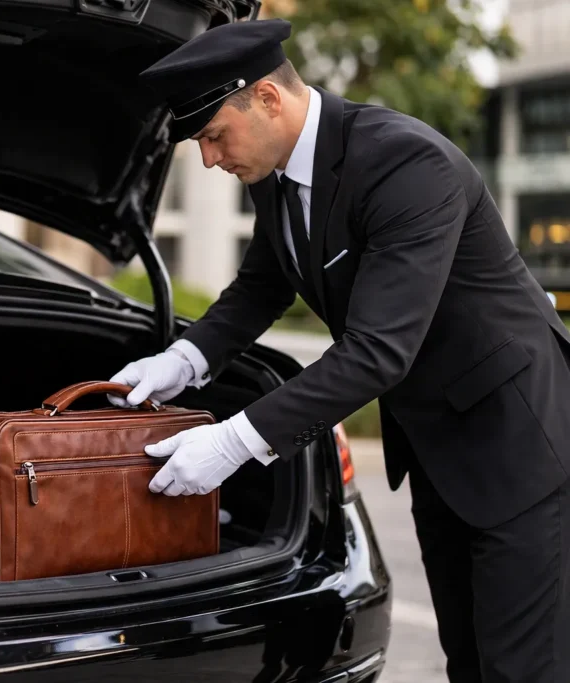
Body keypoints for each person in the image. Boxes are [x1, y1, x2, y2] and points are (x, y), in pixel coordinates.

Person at [109, 17, 570, 683]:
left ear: (267, 98)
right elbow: (259, 289)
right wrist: (183, 359)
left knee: (525, 668)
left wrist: (236, 440)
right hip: (438, 449)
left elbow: (379, 351)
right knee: (469, 660)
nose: (209, 159)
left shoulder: (407, 164)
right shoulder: (270, 171)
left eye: (213, 136)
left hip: (516, 441)